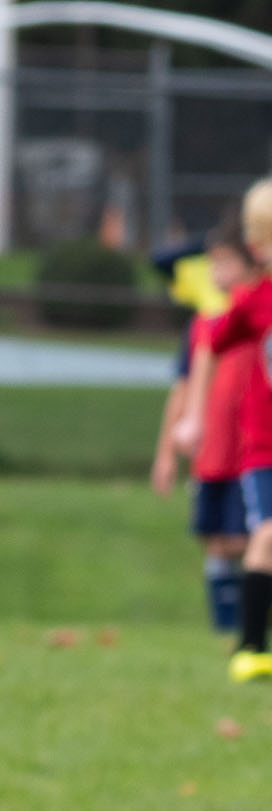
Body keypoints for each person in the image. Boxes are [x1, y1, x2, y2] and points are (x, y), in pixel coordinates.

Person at [179, 181, 272, 681]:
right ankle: (251, 647)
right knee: (267, 535)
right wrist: (195, 414)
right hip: (265, 447)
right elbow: (209, 343)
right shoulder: (257, 301)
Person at [154, 218, 254, 633]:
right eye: (213, 262)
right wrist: (169, 448)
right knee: (215, 536)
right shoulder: (205, 324)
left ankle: (250, 619)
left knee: (250, 538)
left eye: (225, 262)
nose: (215, 272)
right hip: (214, 452)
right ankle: (227, 625)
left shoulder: (258, 316)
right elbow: (187, 384)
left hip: (252, 449)